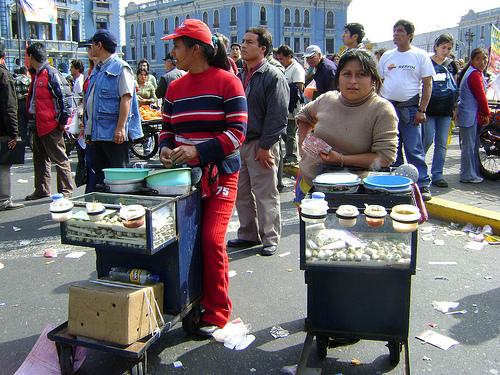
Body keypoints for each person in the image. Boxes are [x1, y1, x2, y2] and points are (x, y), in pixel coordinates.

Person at [159, 19, 247, 337]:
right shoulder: (174, 87)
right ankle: (191, 299)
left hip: (221, 174)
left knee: (211, 240)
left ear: (196, 49)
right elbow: (166, 129)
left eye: (177, 46)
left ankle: (218, 310)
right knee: (186, 242)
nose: (172, 52)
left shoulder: (228, 82)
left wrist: (200, 152)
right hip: (183, 178)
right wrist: (166, 149)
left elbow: (238, 133)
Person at [295, 50, 398, 197]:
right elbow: (303, 116)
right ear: (338, 79)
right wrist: (303, 147)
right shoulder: (327, 99)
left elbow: (385, 158)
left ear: (373, 79)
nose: (353, 81)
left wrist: (341, 160)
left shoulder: (382, 109)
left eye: (361, 74)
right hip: (310, 184)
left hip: (354, 192)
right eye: (347, 74)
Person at [228, 27, 289, 256]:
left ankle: (270, 237)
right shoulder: (240, 75)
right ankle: (247, 234)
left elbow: (278, 116)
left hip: (262, 144)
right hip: (240, 144)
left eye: (250, 42)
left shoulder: (273, 76)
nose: (243, 45)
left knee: (265, 194)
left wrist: (265, 147)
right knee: (241, 193)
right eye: (243, 41)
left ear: (263, 48)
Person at [378, 19, 433, 200]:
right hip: (389, 109)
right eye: (394, 31)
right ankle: (399, 182)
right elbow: (378, 82)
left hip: (410, 109)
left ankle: (423, 183)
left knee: (414, 148)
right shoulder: (387, 56)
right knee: (393, 147)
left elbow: (427, 84)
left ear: (409, 35)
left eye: (400, 31)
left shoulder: (420, 56)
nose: (396, 34)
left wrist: (422, 110)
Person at [85, 30, 143, 187]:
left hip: (113, 134)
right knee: (101, 179)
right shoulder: (98, 69)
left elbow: (126, 98)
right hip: (98, 134)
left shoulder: (120, 68)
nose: (90, 48)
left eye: (92, 45)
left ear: (99, 45)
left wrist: (120, 128)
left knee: (119, 177)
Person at [25, 42, 74, 200]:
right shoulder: (37, 74)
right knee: (39, 159)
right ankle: (42, 189)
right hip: (38, 124)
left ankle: (66, 192)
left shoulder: (50, 73)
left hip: (51, 125)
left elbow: (65, 98)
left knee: (60, 159)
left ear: (31, 56)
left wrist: (61, 122)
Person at [421, 34, 458, 188]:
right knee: (427, 140)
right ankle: (420, 171)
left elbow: (455, 87)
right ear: (436, 46)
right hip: (429, 109)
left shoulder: (451, 65)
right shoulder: (427, 63)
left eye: (449, 48)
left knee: (442, 144)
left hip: (446, 111)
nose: (446, 51)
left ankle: (437, 174)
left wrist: (455, 107)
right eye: (443, 47)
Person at [456, 48, 490, 183]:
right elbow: (481, 97)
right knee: (469, 147)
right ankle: (467, 175)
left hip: (471, 115)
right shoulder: (474, 75)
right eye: (479, 59)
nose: (482, 62)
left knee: (472, 146)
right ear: (472, 60)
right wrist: (486, 113)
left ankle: (472, 172)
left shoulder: (475, 73)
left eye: (485, 59)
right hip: (469, 116)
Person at [0, 42, 24, 211]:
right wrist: (14, 133)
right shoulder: (4, 76)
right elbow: (9, 106)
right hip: (2, 128)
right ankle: (4, 199)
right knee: (3, 165)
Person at [276, 44, 305, 166]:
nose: (280, 61)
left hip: (294, 105)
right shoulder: (285, 68)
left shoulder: (296, 68)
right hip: (285, 105)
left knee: (291, 133)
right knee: (286, 133)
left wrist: (286, 88)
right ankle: (289, 154)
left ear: (290, 57)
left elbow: (299, 87)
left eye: (282, 58)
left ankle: (292, 156)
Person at [14, 66, 31, 144]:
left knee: (21, 123)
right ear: (26, 72)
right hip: (28, 103)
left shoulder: (15, 81)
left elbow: (14, 94)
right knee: (30, 122)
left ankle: (24, 139)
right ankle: (30, 139)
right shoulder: (29, 80)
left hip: (18, 103)